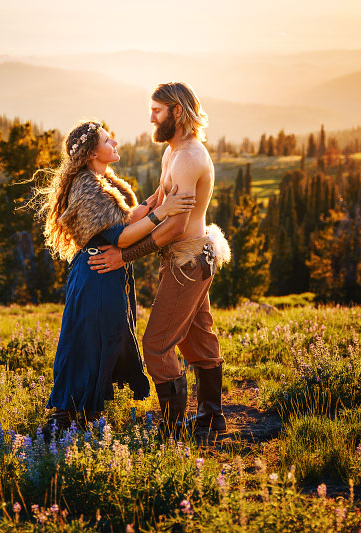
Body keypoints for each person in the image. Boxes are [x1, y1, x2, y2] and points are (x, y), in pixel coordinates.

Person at [87, 83, 231, 435]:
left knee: (156, 345)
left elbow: (172, 228)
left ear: (177, 112)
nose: (151, 117)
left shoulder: (189, 159)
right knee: (197, 339)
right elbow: (158, 199)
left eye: (157, 111)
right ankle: (212, 418)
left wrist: (123, 255)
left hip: (188, 263)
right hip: (190, 260)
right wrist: (125, 218)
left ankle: (174, 428)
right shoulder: (173, 152)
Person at [36, 119, 196, 431]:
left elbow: (129, 215)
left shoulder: (103, 180)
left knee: (106, 337)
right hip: (97, 272)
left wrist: (161, 195)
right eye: (108, 141)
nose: (115, 144)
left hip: (107, 272)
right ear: (92, 153)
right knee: (91, 340)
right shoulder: (88, 187)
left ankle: (84, 413)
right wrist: (162, 212)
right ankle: (72, 415)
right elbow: (120, 237)